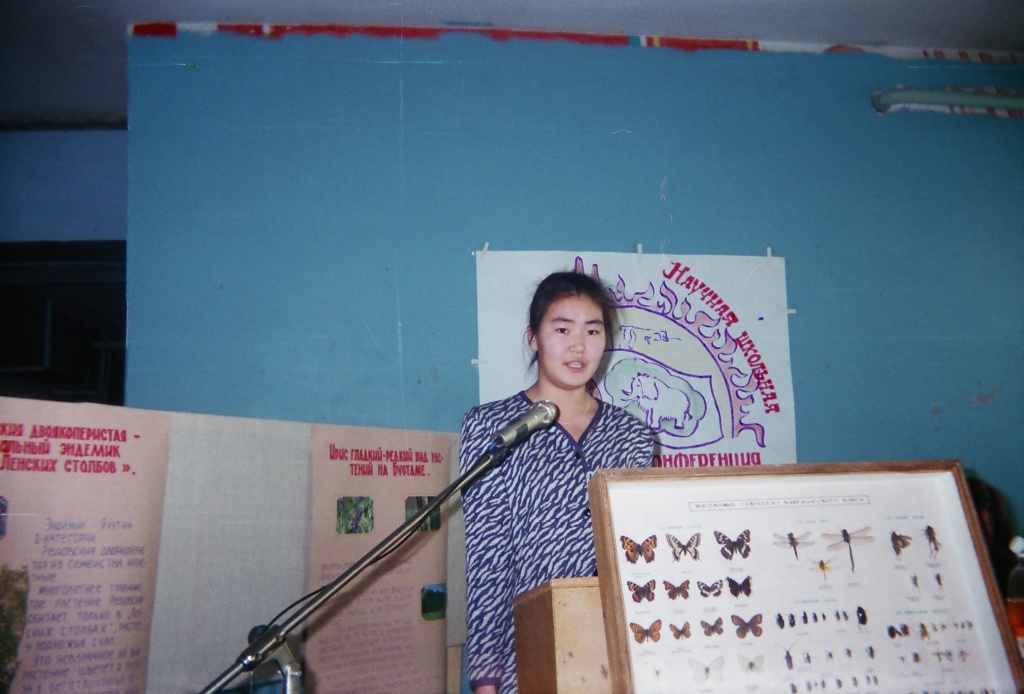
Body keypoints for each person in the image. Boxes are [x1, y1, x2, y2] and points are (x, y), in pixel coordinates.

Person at [459, 270, 655, 693]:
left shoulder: (633, 436)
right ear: (533, 337)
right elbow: (487, 557)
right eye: (562, 329)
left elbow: (638, 553)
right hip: (524, 650)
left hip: (614, 648)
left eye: (592, 331)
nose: (578, 346)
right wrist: (486, 677)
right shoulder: (491, 426)